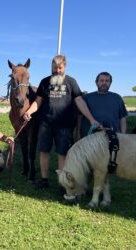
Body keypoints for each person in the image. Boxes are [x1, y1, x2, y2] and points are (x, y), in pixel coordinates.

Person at [23, 55, 98, 189]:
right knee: (44, 152)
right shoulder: (45, 82)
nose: (57, 70)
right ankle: (44, 180)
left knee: (62, 154)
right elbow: (38, 101)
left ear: (64, 67)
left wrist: (91, 118)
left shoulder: (71, 82)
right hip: (46, 124)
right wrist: (29, 111)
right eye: (55, 67)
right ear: (51, 67)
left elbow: (79, 101)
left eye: (60, 68)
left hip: (64, 125)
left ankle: (62, 183)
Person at [77, 72, 128, 138]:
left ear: (110, 83)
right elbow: (80, 117)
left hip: (112, 136)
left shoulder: (117, 98)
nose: (104, 83)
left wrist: (123, 135)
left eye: (107, 81)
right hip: (90, 138)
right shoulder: (87, 98)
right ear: (96, 82)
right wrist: (78, 134)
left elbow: (122, 118)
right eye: (101, 80)